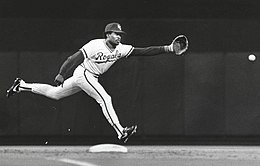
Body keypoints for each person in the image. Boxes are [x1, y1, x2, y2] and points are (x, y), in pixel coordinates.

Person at [6, 22, 188, 143]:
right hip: (84, 73)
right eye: (116, 34)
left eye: (120, 34)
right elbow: (74, 58)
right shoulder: (95, 45)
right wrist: (62, 73)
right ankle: (121, 131)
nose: (119, 37)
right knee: (105, 99)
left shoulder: (121, 49)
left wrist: (168, 48)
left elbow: (143, 51)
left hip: (90, 77)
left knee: (55, 94)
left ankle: (21, 85)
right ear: (107, 34)